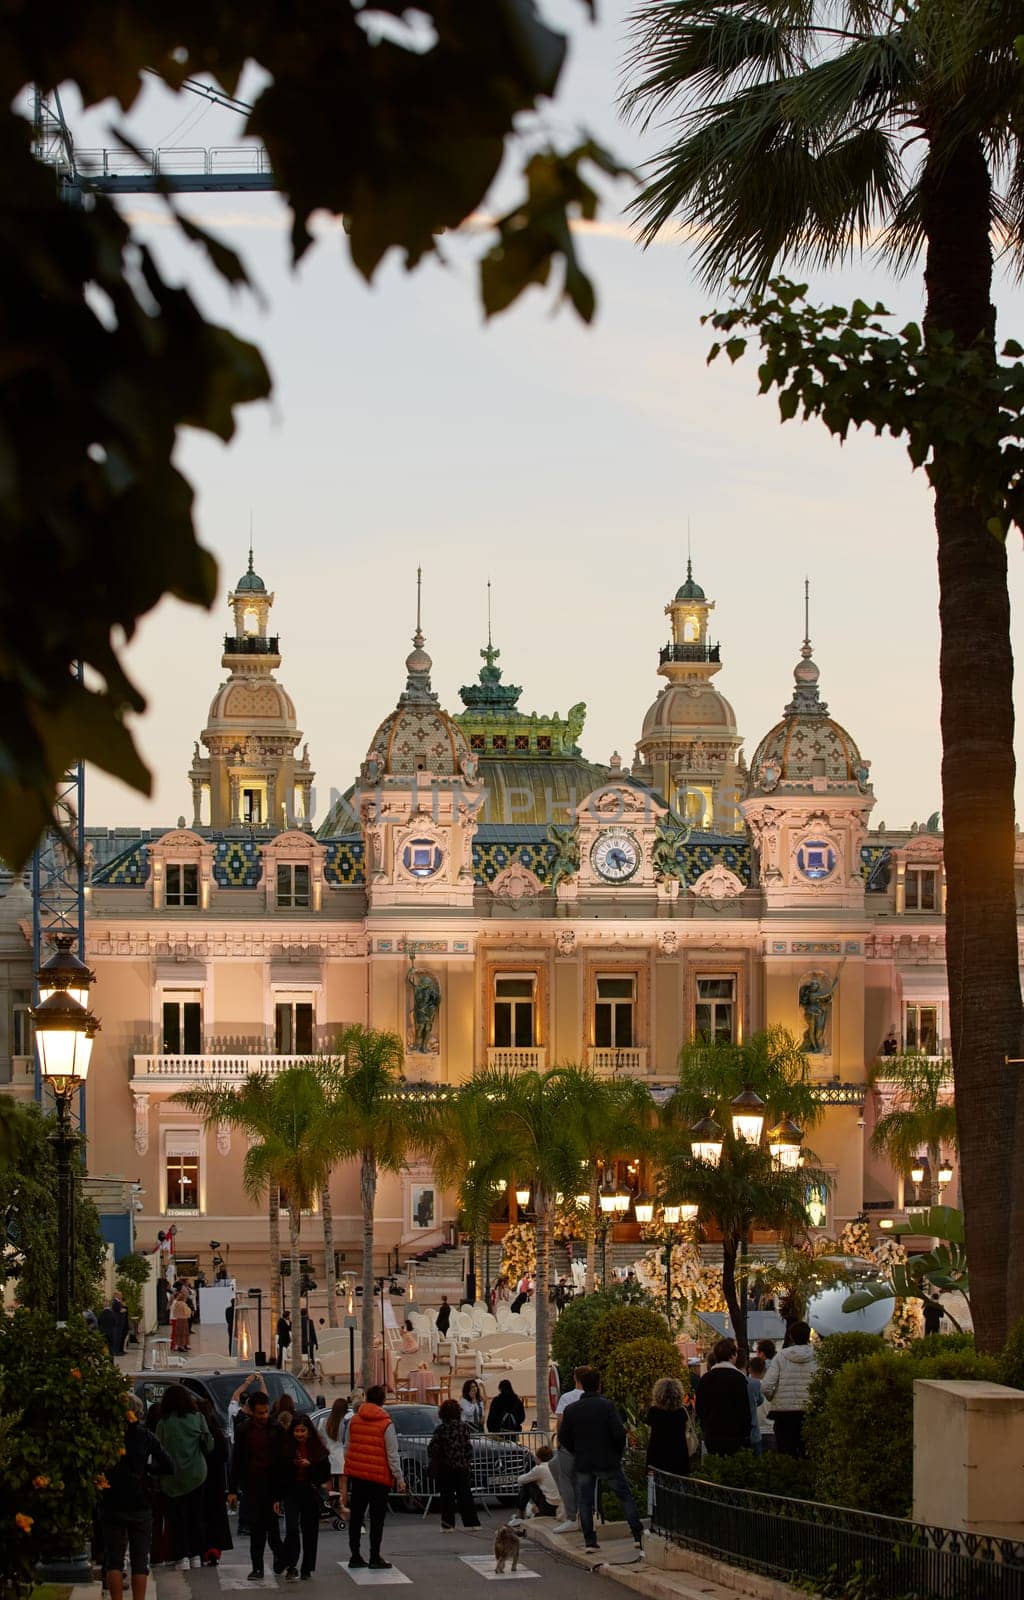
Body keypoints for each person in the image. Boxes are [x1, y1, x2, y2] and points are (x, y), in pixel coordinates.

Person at [557, 1367, 644, 1554]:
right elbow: (619, 1433)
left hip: (584, 1461)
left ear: (580, 1384)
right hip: (607, 1460)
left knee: (585, 1501)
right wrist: (616, 1453)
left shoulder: (571, 1409)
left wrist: (576, 1450)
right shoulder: (607, 1406)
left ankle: (590, 1541)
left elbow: (564, 1436)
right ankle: (638, 1535)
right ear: (598, 1385)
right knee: (624, 1497)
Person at [100, 1399, 174, 1600]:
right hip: (140, 1501)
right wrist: (147, 1471)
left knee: (114, 1560)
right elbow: (169, 1465)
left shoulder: (108, 1437)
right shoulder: (145, 1436)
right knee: (140, 1560)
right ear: (139, 1413)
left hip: (112, 1499)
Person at [345, 1385, 406, 1570]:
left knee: (356, 1517)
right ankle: (374, 1556)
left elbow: (347, 1446)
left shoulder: (354, 1421)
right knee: (377, 1519)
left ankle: (355, 1555)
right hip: (379, 1478)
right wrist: (400, 1478)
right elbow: (392, 1454)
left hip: (358, 1476)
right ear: (382, 1401)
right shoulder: (386, 1423)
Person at [155, 1384, 213, 1571]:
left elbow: (158, 1450)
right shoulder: (197, 1419)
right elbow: (209, 1445)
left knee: (176, 1519)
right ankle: (197, 1555)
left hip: (172, 1478)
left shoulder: (163, 1424)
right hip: (196, 1474)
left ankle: (182, 1556)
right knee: (195, 1516)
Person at [229, 1389, 285, 1581]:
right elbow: (236, 1460)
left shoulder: (276, 1429)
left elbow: (281, 1461)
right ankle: (257, 1567)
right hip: (252, 1485)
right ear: (252, 1411)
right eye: (260, 1412)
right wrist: (232, 1489)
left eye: (266, 1412)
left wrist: (279, 1493)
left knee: (273, 1529)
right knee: (256, 1529)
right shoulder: (243, 1430)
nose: (264, 1416)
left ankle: (279, 1556)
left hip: (271, 1484)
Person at [279, 1414, 330, 1580]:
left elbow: (324, 1474)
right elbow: (279, 1473)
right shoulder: (286, 1447)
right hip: (291, 1491)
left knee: (310, 1531)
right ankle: (291, 1564)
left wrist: (311, 1465)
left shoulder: (317, 1448)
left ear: (309, 1431)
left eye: (303, 1430)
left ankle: (307, 1567)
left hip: (310, 1491)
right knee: (292, 1528)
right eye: (297, 1431)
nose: (300, 1434)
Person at [762, 1321, 817, 1458]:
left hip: (784, 1414)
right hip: (810, 1411)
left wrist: (774, 1398)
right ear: (807, 1336)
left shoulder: (781, 1356)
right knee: (808, 1453)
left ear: (791, 1337)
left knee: (786, 1453)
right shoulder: (818, 1356)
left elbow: (766, 1386)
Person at [428, 1399, 482, 1532]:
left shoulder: (440, 1429)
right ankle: (472, 1523)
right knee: (466, 1495)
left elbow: (433, 1449)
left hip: (446, 1467)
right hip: (462, 1466)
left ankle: (448, 1525)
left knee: (447, 1497)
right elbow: (468, 1448)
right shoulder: (463, 1427)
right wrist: (466, 1460)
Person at [695, 1339, 751, 1457]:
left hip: (712, 1433)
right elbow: (744, 1409)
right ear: (733, 1355)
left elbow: (700, 1409)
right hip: (734, 1435)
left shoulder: (705, 1379)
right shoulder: (739, 1379)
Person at [195, 1398, 233, 1567]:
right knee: (216, 1515)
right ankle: (215, 1550)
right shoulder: (216, 1431)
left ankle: (202, 1550)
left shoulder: (196, 1432)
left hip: (199, 1479)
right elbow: (225, 1455)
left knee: (200, 1514)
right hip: (216, 1480)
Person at [550, 1369, 584, 1534]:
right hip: (585, 1445)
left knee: (565, 1477)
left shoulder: (568, 1397)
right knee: (578, 1478)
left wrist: (559, 1441)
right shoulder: (592, 1397)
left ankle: (571, 1516)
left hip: (569, 1445)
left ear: (574, 1378)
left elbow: (560, 1420)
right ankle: (580, 1514)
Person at [645, 1376, 691, 1497]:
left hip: (657, 1456)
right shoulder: (681, 1412)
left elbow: (649, 1434)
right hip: (679, 1456)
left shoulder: (653, 1412)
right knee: (678, 1493)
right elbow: (686, 1432)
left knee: (658, 1495)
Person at [509, 1445, 561, 1527]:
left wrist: (533, 1479)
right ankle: (530, 1512)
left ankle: (519, 1514)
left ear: (539, 1458)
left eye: (535, 1457)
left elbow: (520, 1480)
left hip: (548, 1506)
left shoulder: (540, 1468)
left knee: (527, 1484)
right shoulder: (555, 1466)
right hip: (559, 1505)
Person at [317, 1398, 348, 1497]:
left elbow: (320, 1441)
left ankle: (330, 1508)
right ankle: (342, 1509)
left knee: (328, 1485)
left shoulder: (323, 1422)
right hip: (342, 1457)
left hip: (328, 1456)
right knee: (343, 1486)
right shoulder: (345, 1423)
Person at [747, 1356, 774, 1451]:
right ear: (765, 1370)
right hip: (770, 1430)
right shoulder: (771, 1387)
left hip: (753, 1432)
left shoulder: (747, 1387)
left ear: (749, 1369)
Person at [169, 1288, 192, 1354]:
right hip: (178, 1319)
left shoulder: (176, 1302)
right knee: (178, 1333)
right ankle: (176, 1346)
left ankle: (181, 1345)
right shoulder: (178, 1303)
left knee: (181, 1333)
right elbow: (184, 1311)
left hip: (178, 1318)